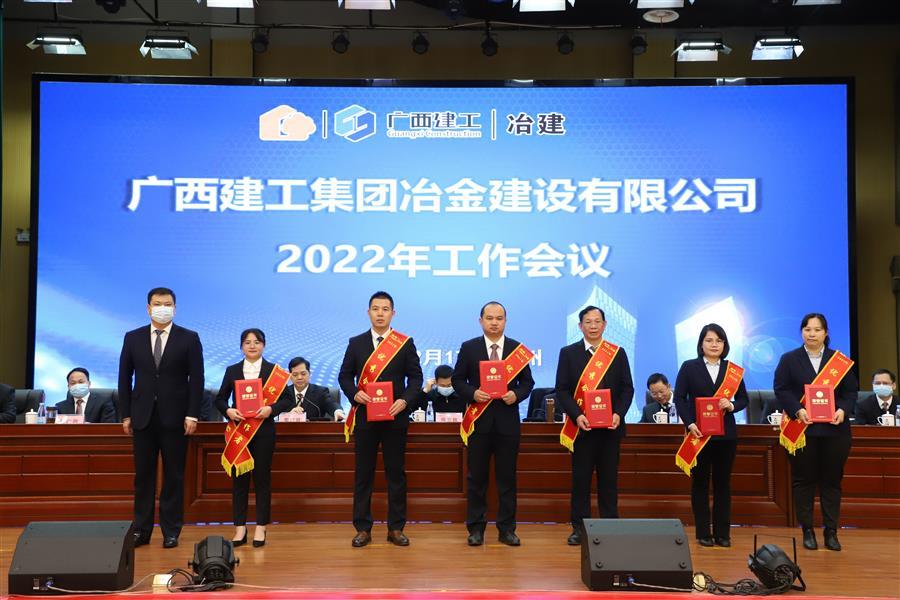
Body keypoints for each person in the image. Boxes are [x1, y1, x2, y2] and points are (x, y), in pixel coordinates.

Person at [117, 287, 204, 549]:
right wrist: (125, 414)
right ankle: (141, 530)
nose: (162, 308)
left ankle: (171, 531)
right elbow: (124, 378)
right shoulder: (132, 337)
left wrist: (192, 414)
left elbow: (196, 379)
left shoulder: (189, 338)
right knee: (143, 477)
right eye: (157, 304)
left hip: (176, 417)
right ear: (148, 308)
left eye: (167, 304)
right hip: (142, 416)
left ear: (175, 308)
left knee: (174, 476)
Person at [338, 291, 423, 548]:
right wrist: (355, 394)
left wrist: (405, 401)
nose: (380, 313)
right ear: (368, 312)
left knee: (395, 474)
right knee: (363, 474)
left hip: (395, 417)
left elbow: (416, 379)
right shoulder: (356, 343)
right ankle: (362, 528)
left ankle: (396, 528)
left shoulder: (404, 343)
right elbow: (344, 376)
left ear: (393, 313)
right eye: (375, 308)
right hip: (365, 417)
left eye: (385, 309)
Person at [452, 301, 534, 547]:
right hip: (479, 423)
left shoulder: (516, 349)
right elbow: (457, 380)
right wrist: (473, 393)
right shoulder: (469, 348)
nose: (494, 322)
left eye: (499, 318)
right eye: (489, 318)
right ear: (481, 321)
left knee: (507, 479)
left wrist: (516, 395)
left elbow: (527, 383)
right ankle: (476, 529)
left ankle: (507, 529)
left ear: (505, 321)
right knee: (476, 479)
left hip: (507, 424)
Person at [774, 312, 858, 552]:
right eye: (807, 329)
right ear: (802, 332)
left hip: (835, 431)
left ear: (826, 333)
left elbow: (850, 392)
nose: (812, 334)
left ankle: (831, 532)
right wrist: (797, 409)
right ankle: (808, 530)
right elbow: (781, 389)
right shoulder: (789, 359)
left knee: (832, 481)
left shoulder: (838, 361)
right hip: (803, 431)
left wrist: (843, 409)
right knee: (804, 481)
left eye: (817, 329)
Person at [555, 306, 634, 545]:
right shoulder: (568, 353)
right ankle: (579, 529)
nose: (593, 326)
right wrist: (577, 415)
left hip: (610, 429)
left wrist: (619, 413)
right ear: (580, 326)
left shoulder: (617, 353)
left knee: (609, 480)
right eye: (588, 322)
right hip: (582, 429)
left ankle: (610, 527)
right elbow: (562, 390)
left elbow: (627, 389)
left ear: (604, 325)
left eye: (597, 321)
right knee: (580, 481)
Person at [216, 329, 293, 548]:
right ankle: (240, 527)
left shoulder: (274, 372)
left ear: (263, 345)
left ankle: (261, 526)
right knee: (239, 481)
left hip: (264, 432)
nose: (252, 346)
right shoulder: (232, 370)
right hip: (240, 432)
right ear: (241, 346)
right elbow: (220, 399)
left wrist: (271, 409)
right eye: (247, 342)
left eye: (257, 342)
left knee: (262, 479)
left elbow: (287, 399)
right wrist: (229, 411)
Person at [674, 324, 748, 548]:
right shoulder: (689, 367)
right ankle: (703, 533)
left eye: (718, 340)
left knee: (722, 484)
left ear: (724, 344)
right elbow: (680, 398)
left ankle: (723, 534)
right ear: (701, 344)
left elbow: (743, 399)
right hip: (699, 434)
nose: (714, 344)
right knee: (700, 483)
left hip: (726, 436)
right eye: (709, 340)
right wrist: (690, 423)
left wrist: (731, 405)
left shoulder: (732, 370)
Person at [287, 357, 345, 421]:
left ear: (309, 374)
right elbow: (278, 413)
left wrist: (337, 411)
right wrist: (287, 415)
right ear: (290, 376)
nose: (299, 377)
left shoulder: (320, 392)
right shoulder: (283, 393)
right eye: (295, 375)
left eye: (303, 374)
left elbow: (330, 404)